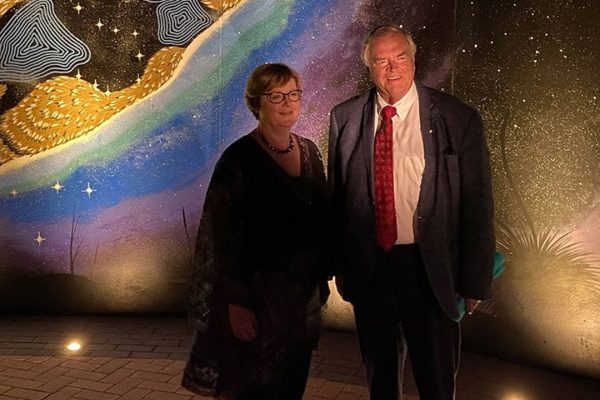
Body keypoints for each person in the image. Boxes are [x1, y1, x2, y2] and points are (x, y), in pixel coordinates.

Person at [328, 25, 495, 400]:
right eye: (381, 60)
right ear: (369, 67)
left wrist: (475, 281)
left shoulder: (457, 117)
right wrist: (339, 266)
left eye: (400, 57)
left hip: (431, 270)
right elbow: (338, 199)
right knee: (379, 381)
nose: (392, 68)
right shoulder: (345, 117)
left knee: (436, 381)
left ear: (413, 60)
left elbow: (478, 205)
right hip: (372, 270)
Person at [182, 63, 330, 399]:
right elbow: (219, 237)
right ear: (256, 103)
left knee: (292, 386)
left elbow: (322, 221)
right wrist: (237, 303)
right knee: (253, 390)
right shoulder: (238, 159)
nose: (287, 102)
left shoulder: (310, 152)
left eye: (293, 94)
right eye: (276, 95)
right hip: (254, 305)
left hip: (299, 304)